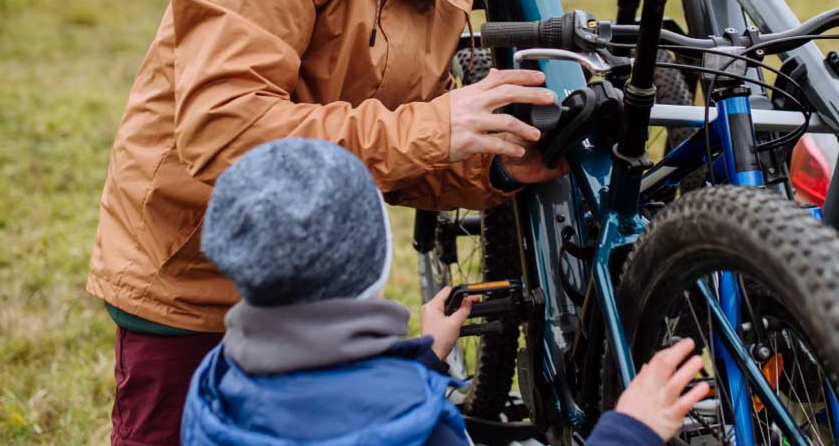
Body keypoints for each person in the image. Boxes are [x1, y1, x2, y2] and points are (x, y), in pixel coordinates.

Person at [87, 0, 593, 446]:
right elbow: (220, 133)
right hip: (201, 286)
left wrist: (493, 169)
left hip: (325, 299)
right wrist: (437, 125)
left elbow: (389, 148)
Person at [180, 138, 711, 446]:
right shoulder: (415, 424)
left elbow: (324, 401)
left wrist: (423, 358)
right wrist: (631, 429)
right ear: (373, 261)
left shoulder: (217, 383)